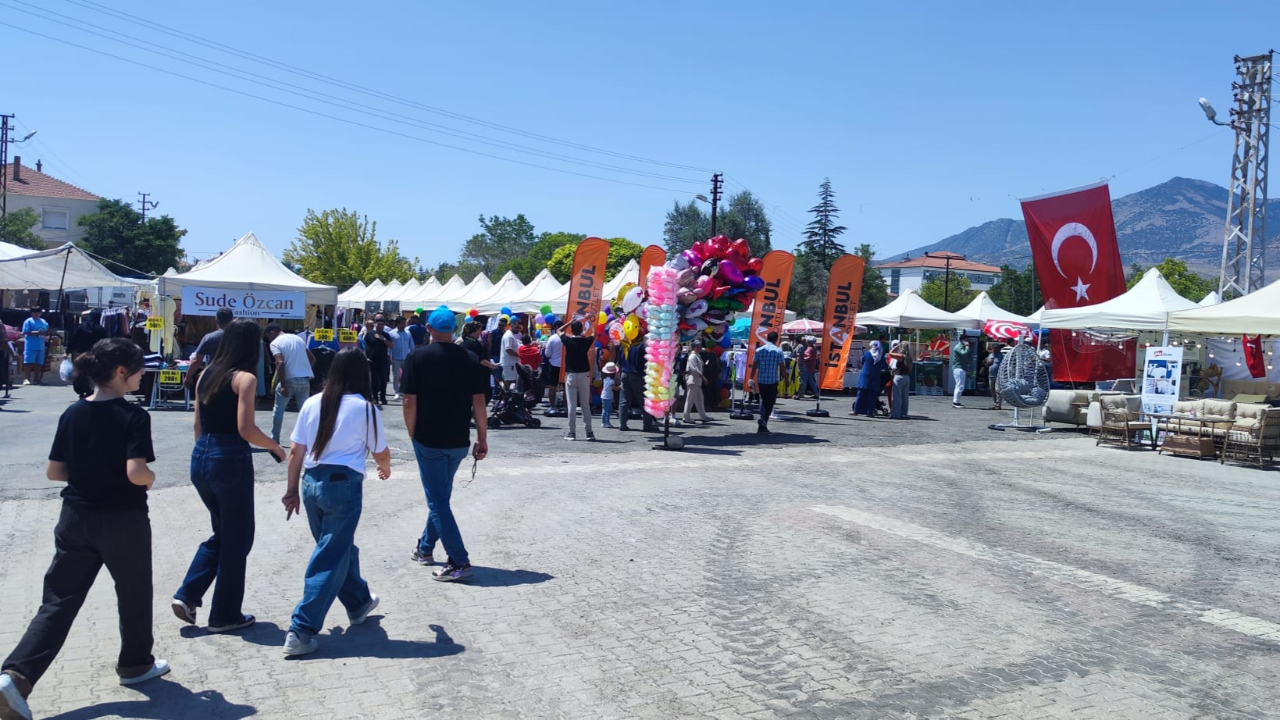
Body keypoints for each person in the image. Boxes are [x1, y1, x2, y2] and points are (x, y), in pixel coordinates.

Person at [0, 339, 168, 720]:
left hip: (75, 517)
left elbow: (54, 471)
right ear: (121, 372)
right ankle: (135, 664)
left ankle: (16, 676)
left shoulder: (72, 413)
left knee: (59, 600)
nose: (143, 374)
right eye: (139, 368)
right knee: (134, 593)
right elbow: (136, 472)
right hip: (123, 519)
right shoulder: (134, 416)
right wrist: (151, 478)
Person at [173, 320, 285, 634]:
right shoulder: (244, 378)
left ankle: (188, 594)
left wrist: (206, 456)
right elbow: (246, 429)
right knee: (238, 539)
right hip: (229, 457)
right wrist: (275, 446)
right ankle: (224, 614)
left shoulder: (206, 374)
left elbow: (197, 426)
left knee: (223, 532)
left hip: (202, 455)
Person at [280, 349, 391, 657]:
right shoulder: (365, 408)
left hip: (310, 483)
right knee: (330, 556)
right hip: (343, 486)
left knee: (338, 548)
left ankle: (358, 602)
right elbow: (380, 452)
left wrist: (291, 490)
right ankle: (301, 629)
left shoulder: (313, 403)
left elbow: (296, 452)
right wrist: (385, 468)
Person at [400, 307, 488, 582]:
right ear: (454, 329)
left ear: (429, 328)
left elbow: (409, 400)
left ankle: (459, 560)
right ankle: (425, 548)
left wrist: (412, 433)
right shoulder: (470, 358)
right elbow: (479, 402)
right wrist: (482, 437)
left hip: (429, 438)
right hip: (459, 439)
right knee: (441, 497)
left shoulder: (417, 357)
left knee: (438, 501)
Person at [266, 323, 316, 444]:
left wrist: (283, 385)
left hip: (288, 380)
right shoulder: (298, 339)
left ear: (272, 332)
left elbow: (280, 363)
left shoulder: (275, 343)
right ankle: (308, 439)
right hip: (304, 379)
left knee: (278, 410)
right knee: (305, 412)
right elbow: (312, 358)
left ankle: (275, 439)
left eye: (268, 336)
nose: (269, 339)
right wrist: (305, 369)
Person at [559, 320, 596, 441]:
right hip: (584, 374)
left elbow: (559, 330)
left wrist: (570, 321)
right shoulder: (585, 341)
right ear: (581, 330)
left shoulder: (568, 341)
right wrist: (589, 321)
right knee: (585, 404)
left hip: (571, 374)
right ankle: (589, 432)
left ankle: (572, 432)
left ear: (571, 330)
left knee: (572, 405)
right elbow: (594, 333)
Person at [186, 307, 234, 389]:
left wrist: (188, 377)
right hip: (233, 378)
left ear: (216, 320)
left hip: (212, 378)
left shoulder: (209, 337)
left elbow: (197, 360)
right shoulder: (239, 337)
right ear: (232, 320)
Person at [750, 332, 787, 435]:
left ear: (767, 338)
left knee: (763, 400)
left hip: (761, 380)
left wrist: (751, 377)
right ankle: (763, 421)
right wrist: (786, 379)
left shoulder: (759, 350)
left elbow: (754, 365)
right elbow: (782, 367)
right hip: (772, 380)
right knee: (770, 402)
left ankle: (762, 420)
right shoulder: (778, 351)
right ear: (776, 339)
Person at [619, 336, 656, 432]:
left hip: (624, 374)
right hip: (637, 375)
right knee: (644, 401)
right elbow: (645, 363)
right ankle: (647, 425)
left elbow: (620, 362)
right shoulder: (641, 347)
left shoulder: (624, 345)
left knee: (624, 401)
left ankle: (622, 424)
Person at [68, 311, 108, 398]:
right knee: (92, 373)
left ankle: (80, 390)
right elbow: (104, 343)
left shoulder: (80, 327)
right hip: (94, 354)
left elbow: (73, 339)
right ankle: (90, 390)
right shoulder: (101, 329)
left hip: (79, 353)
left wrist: (68, 351)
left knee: (80, 372)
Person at [459, 321, 499, 406]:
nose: (480, 332)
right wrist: (492, 366)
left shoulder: (465, 341)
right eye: (480, 330)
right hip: (477, 373)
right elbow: (480, 359)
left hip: (466, 373)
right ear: (475, 330)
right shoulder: (474, 343)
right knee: (485, 395)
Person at [363, 314, 393, 406]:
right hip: (372, 360)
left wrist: (383, 339)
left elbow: (391, 346)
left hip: (383, 361)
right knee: (374, 379)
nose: (380, 326)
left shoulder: (386, 335)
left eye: (382, 325)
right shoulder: (370, 334)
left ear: (384, 326)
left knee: (384, 380)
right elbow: (366, 346)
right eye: (378, 324)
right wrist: (366, 357)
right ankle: (375, 397)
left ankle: (383, 397)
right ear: (375, 325)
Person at [852, 340, 886, 417]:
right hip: (875, 377)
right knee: (872, 395)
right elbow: (885, 367)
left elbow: (863, 362)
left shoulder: (867, 354)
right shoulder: (881, 356)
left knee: (861, 393)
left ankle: (856, 410)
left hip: (865, 376)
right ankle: (869, 412)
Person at [682, 339, 711, 424]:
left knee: (699, 399)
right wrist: (703, 377)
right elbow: (694, 369)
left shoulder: (697, 356)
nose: (699, 348)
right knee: (690, 399)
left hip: (697, 381)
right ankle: (686, 417)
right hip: (693, 380)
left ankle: (703, 416)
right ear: (693, 347)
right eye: (697, 347)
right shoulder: (692, 356)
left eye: (700, 347)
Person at [21, 307, 50, 386]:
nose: (37, 314)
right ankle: (27, 378)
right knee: (29, 362)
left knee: (39, 363)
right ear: (31, 313)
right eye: (35, 312)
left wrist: (49, 332)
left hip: (40, 345)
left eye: (38, 312)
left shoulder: (43, 321)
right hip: (31, 345)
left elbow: (47, 330)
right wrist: (38, 333)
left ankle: (37, 378)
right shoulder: (28, 321)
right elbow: (26, 332)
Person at [388, 316, 415, 400]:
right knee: (396, 376)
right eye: (403, 323)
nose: (404, 325)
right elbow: (389, 347)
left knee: (405, 376)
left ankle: (403, 390)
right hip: (396, 358)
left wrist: (413, 355)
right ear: (398, 323)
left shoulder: (408, 333)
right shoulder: (391, 333)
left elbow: (411, 345)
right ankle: (396, 391)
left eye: (405, 323)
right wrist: (389, 356)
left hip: (406, 358)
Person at [888, 340, 913, 419]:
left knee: (897, 397)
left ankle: (896, 414)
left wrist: (895, 347)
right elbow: (910, 369)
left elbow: (890, 353)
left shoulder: (901, 356)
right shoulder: (909, 357)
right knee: (905, 397)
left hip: (899, 377)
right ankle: (904, 413)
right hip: (906, 377)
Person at [543, 320, 563, 406]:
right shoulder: (567, 337)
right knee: (566, 387)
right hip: (564, 366)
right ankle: (565, 406)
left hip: (554, 365)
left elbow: (547, 354)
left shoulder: (552, 338)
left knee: (552, 386)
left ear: (556, 328)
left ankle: (552, 406)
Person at [500, 319, 521, 390]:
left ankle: (506, 395)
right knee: (509, 381)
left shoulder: (511, 335)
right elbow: (508, 349)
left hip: (511, 363)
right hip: (509, 363)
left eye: (519, 328)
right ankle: (503, 395)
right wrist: (519, 355)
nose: (518, 329)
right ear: (511, 326)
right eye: (516, 327)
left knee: (511, 381)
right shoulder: (509, 336)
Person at [951, 336, 970, 408]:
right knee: (960, 385)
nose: (967, 341)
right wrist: (967, 346)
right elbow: (964, 354)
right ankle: (955, 402)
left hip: (961, 368)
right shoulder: (958, 347)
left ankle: (956, 401)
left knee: (959, 385)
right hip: (958, 368)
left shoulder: (961, 347)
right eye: (966, 340)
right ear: (962, 340)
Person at [987, 342, 1006, 410]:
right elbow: (987, 365)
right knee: (992, 390)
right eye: (994, 348)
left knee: (997, 390)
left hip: (998, 376)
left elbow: (1004, 365)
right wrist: (988, 363)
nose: (995, 349)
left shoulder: (1002, 356)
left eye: (997, 348)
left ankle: (998, 404)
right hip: (991, 375)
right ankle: (995, 403)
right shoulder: (990, 355)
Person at [600, 362, 618, 427]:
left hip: (605, 395)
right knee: (606, 410)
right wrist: (620, 387)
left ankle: (606, 422)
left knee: (607, 409)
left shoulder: (605, 379)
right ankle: (604, 422)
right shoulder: (611, 381)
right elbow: (615, 388)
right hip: (607, 396)